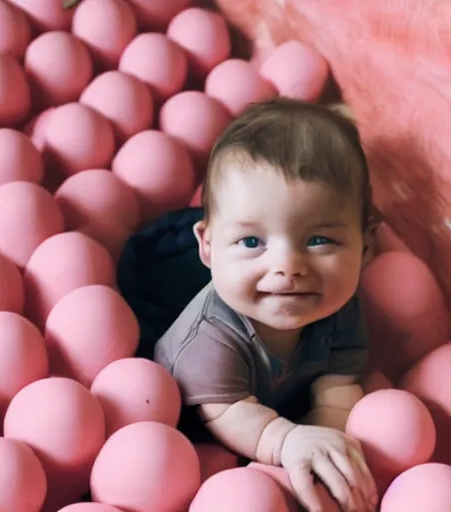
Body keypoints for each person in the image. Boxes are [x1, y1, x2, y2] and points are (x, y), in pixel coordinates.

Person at [153, 98, 378, 512]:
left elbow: (337, 384)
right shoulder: (209, 335)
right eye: (252, 242)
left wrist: (322, 445)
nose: (288, 267)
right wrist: (289, 441)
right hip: (199, 425)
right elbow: (225, 411)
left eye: (318, 240)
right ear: (208, 246)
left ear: (365, 247)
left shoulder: (340, 307)